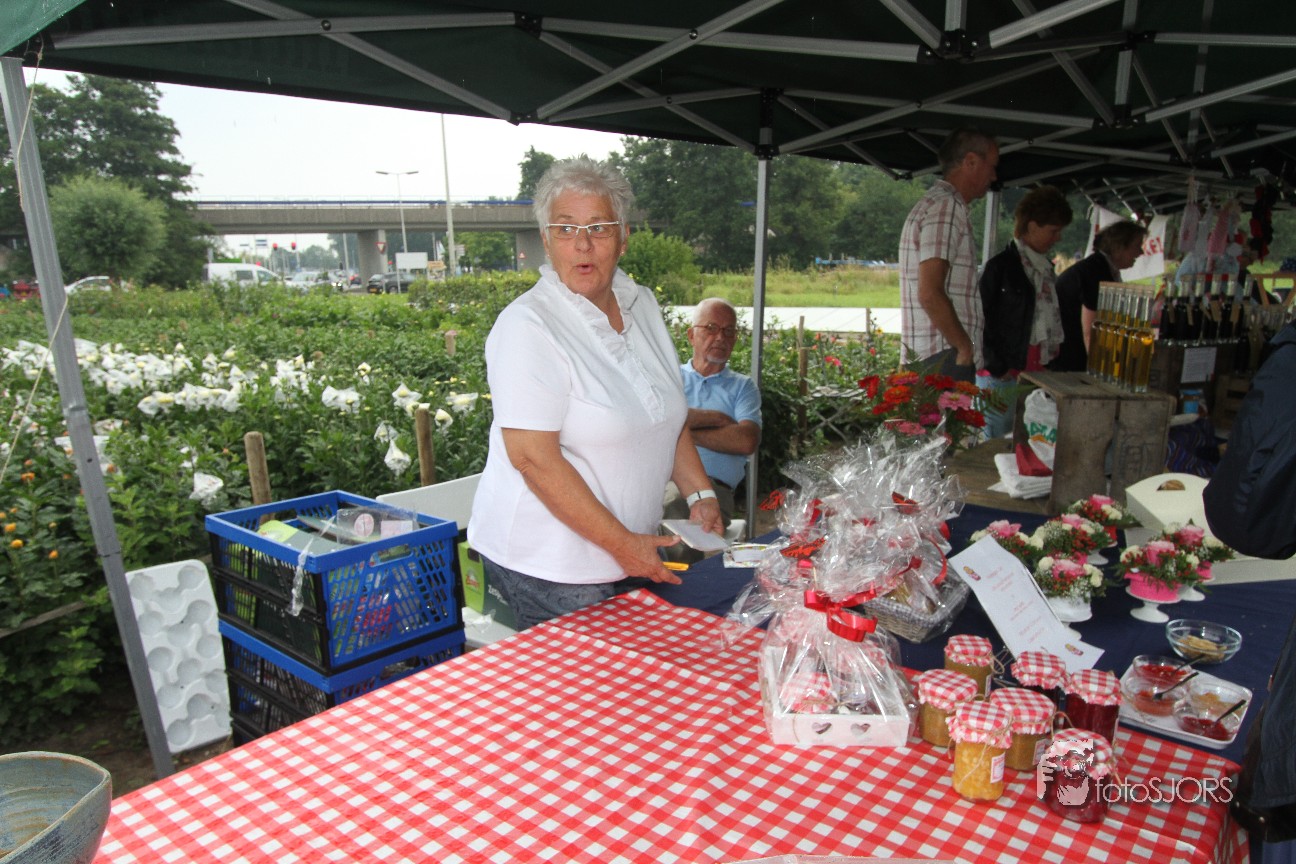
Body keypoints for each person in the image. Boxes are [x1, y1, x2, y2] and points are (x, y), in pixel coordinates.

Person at [466, 156, 722, 630]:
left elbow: (664, 415)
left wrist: (700, 493)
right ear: (546, 240)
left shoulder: (642, 304)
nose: (582, 244)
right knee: (599, 675)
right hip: (551, 566)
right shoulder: (527, 325)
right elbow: (533, 459)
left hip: (628, 549)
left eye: (599, 228)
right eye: (565, 229)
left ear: (623, 237)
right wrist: (623, 545)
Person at [662, 298, 762, 561]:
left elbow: (746, 441)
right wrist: (717, 418)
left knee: (678, 508)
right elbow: (654, 422)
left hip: (713, 489)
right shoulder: (670, 378)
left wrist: (680, 432)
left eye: (728, 331)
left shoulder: (743, 387)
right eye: (711, 328)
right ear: (691, 335)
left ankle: (682, 584)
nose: (720, 337)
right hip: (659, 480)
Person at [899, 127, 999, 383]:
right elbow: (930, 292)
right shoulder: (947, 206)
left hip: (935, 355)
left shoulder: (938, 203)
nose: (994, 175)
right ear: (971, 161)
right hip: (943, 355)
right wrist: (964, 347)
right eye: (992, 166)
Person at [976, 186, 1073, 437]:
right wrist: (998, 367)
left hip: (1036, 373)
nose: (1058, 238)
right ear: (1031, 226)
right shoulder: (1000, 267)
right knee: (997, 443)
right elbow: (979, 320)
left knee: (1029, 441)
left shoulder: (1045, 269)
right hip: (1003, 375)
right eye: (1053, 230)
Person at [1051, 220, 1147, 372]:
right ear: (1119, 246)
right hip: (1070, 362)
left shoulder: (1098, 268)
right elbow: (1091, 333)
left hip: (1070, 358)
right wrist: (1103, 372)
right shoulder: (1095, 273)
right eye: (1137, 246)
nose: (1141, 252)